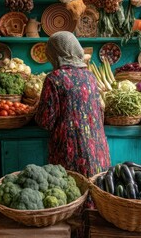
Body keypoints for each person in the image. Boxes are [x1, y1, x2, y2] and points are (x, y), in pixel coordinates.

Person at [35, 31, 111, 178]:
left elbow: (46, 122)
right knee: (95, 193)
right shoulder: (90, 76)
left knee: (74, 195)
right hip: (97, 150)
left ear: (54, 53)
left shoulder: (54, 78)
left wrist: (36, 109)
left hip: (71, 153)